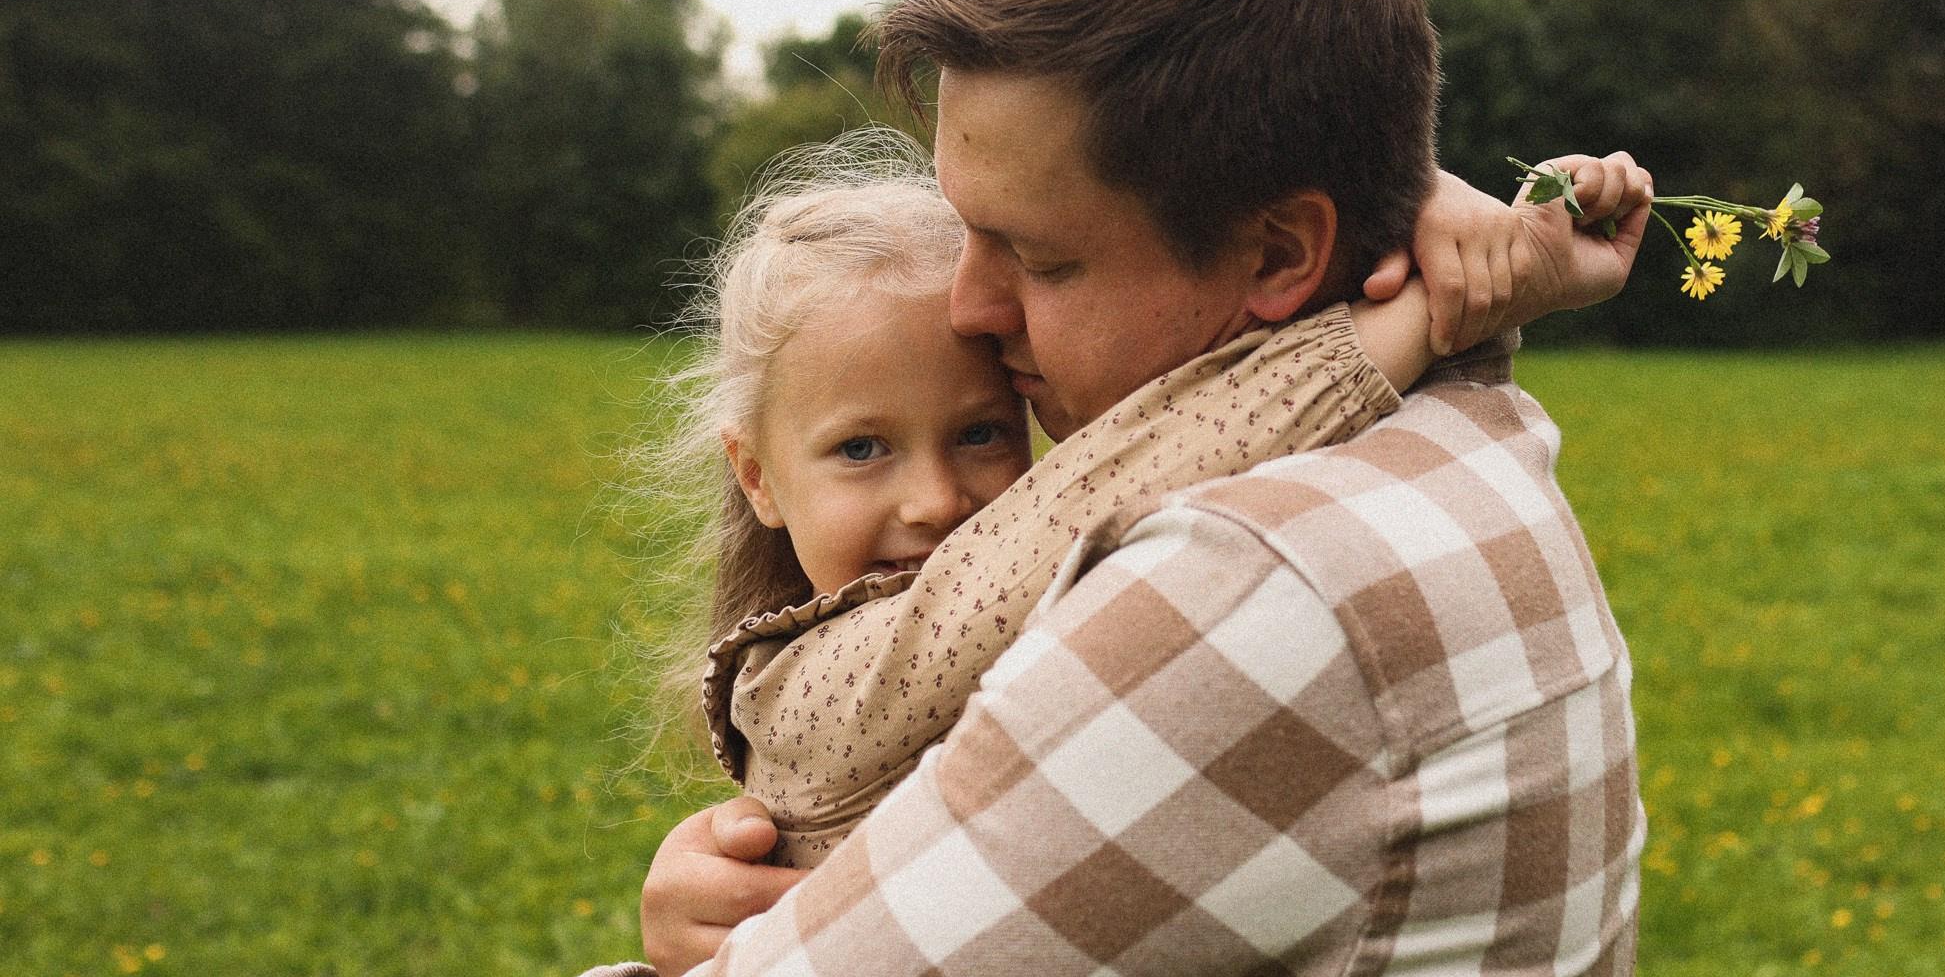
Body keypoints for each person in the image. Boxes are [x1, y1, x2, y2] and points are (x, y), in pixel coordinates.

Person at [558, 0, 1652, 977]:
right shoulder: (1464, 436)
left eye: (1038, 254)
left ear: (1278, 253)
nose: (966, 307)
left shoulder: (1247, 589)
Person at [638, 130, 1618, 875]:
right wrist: (1436, 296)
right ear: (757, 475)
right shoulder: (797, 698)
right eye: (861, 448)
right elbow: (1136, 469)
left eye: (983, 431)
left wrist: (1420, 212)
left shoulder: (1063, 589)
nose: (938, 501)